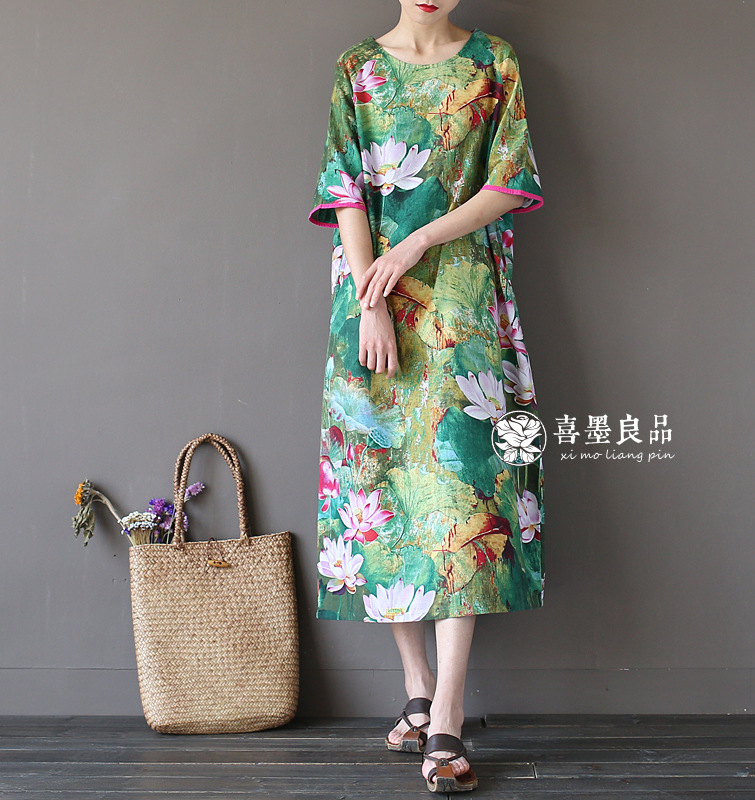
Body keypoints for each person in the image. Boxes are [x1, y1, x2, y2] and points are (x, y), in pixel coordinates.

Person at [309, 0, 546, 792]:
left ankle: (447, 714)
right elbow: (345, 191)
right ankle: (416, 688)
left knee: (463, 493)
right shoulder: (358, 69)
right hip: (372, 300)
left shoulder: (493, 62)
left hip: (463, 299)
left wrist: (417, 240)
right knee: (378, 490)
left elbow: (509, 181)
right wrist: (371, 302)